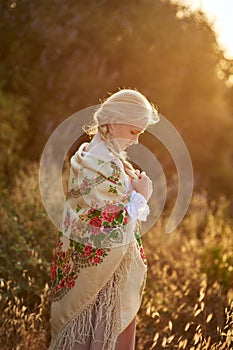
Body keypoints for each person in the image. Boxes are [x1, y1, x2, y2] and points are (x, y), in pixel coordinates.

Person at [49, 88, 160, 350]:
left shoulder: (93, 154)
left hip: (113, 272)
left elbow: (107, 207)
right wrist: (141, 196)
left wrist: (132, 191)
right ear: (113, 120)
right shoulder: (101, 162)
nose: (135, 141)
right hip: (103, 281)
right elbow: (103, 221)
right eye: (134, 132)